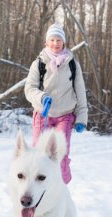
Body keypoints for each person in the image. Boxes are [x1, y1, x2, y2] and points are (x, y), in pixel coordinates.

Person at [24, 23, 88, 184]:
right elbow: (29, 89)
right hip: (43, 114)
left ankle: (62, 186)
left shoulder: (72, 64)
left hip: (65, 115)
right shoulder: (38, 63)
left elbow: (80, 91)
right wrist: (42, 97)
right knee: (39, 154)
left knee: (61, 153)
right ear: (46, 42)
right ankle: (37, 187)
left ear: (64, 42)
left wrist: (81, 117)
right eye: (52, 39)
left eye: (58, 39)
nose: (55, 43)